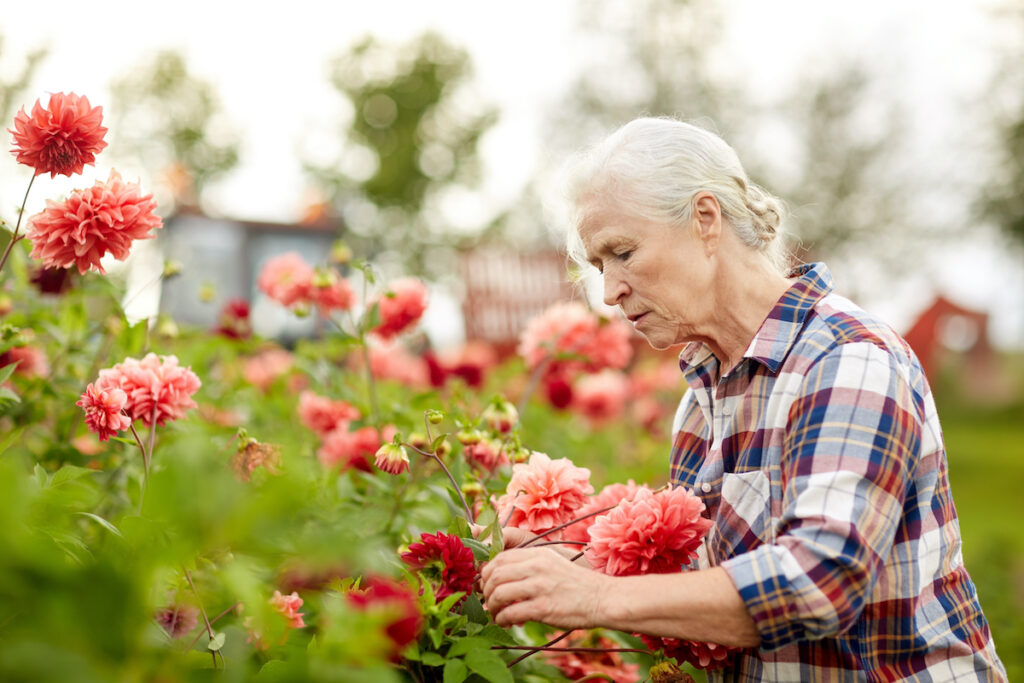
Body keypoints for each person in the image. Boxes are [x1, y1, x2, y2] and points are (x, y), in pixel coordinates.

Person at [479, 117, 1007, 681]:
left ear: (706, 220)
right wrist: (573, 562)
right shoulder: (703, 397)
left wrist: (596, 596)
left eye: (623, 252)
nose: (609, 292)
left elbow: (819, 582)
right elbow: (713, 580)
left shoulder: (846, 358)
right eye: (599, 266)